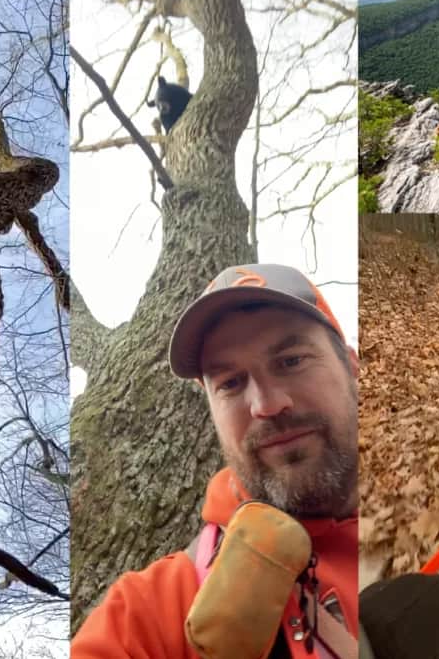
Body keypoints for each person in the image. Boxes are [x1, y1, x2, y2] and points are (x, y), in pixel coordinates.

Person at [71, 263, 360, 658]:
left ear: (353, 366)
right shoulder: (150, 612)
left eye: (291, 361)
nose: (267, 404)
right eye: (230, 383)